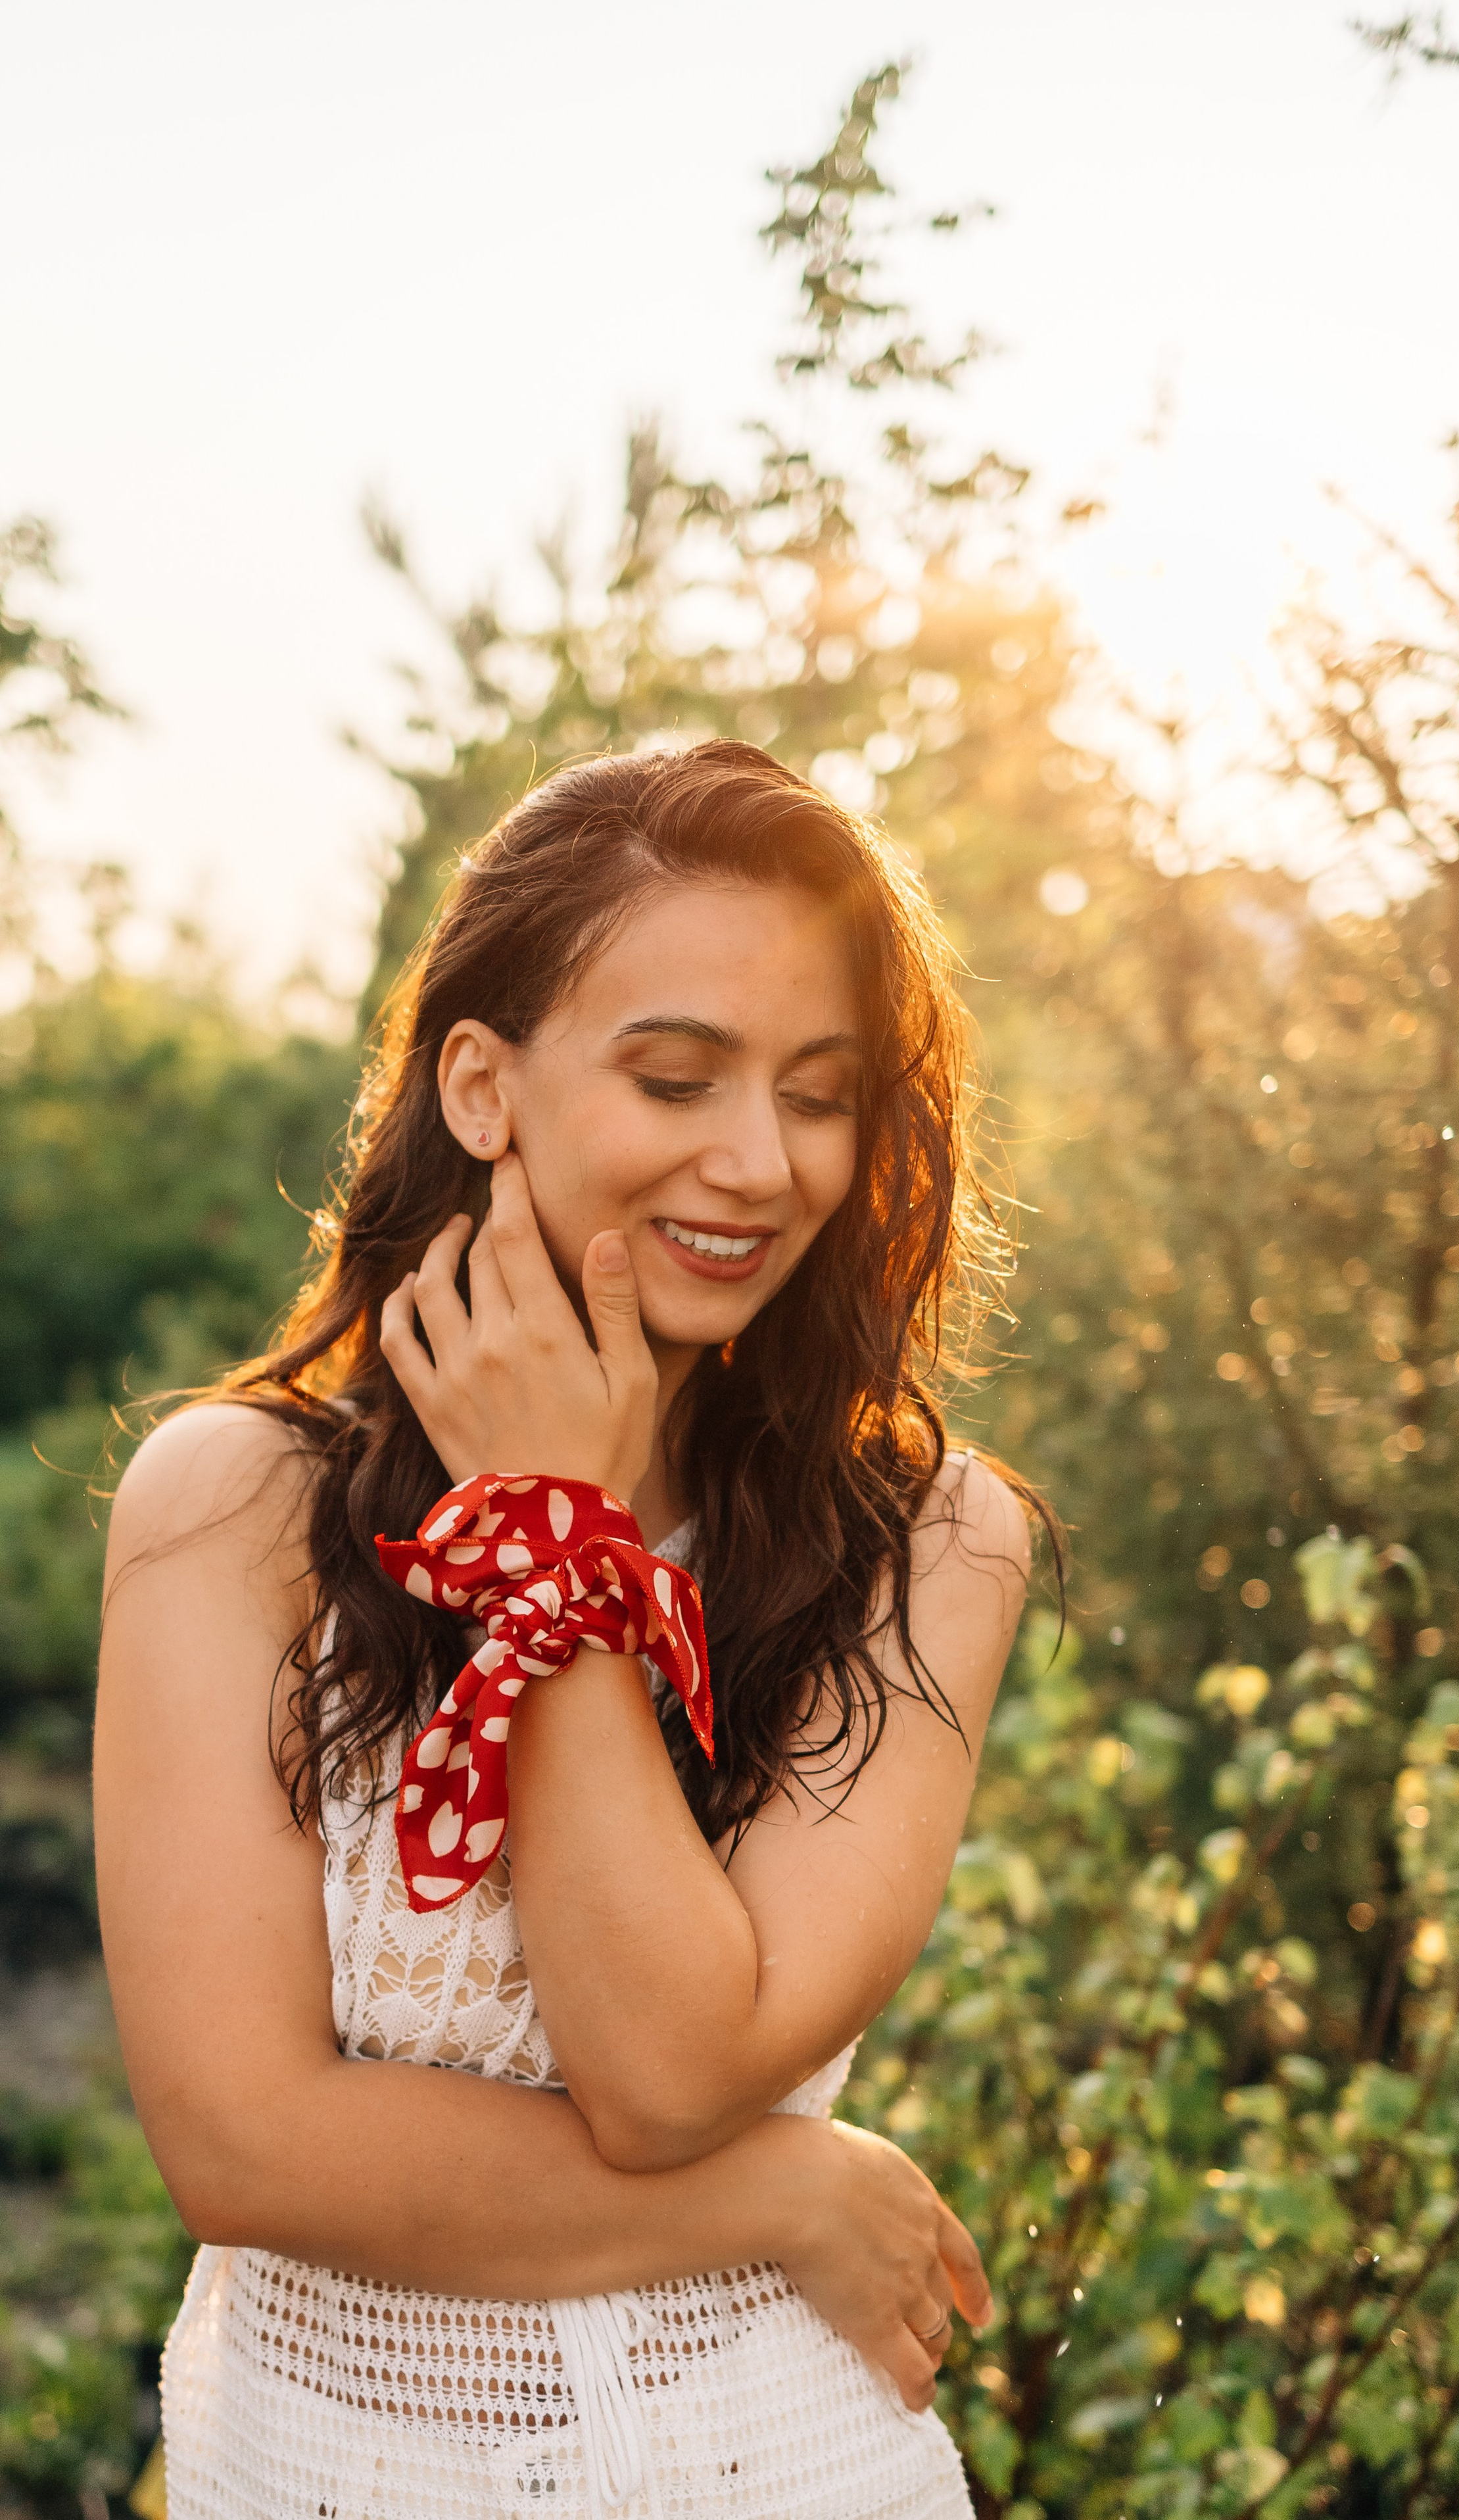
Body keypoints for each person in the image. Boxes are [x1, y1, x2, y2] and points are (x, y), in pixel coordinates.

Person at [95, 740, 1041, 2519]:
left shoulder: (928, 1536)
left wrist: (558, 1537)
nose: (757, 1161)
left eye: (822, 1094)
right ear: (480, 1081)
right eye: (677, 1075)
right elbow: (241, 2138)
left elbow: (674, 2067)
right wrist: (780, 2195)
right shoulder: (231, 1512)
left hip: (800, 2469)